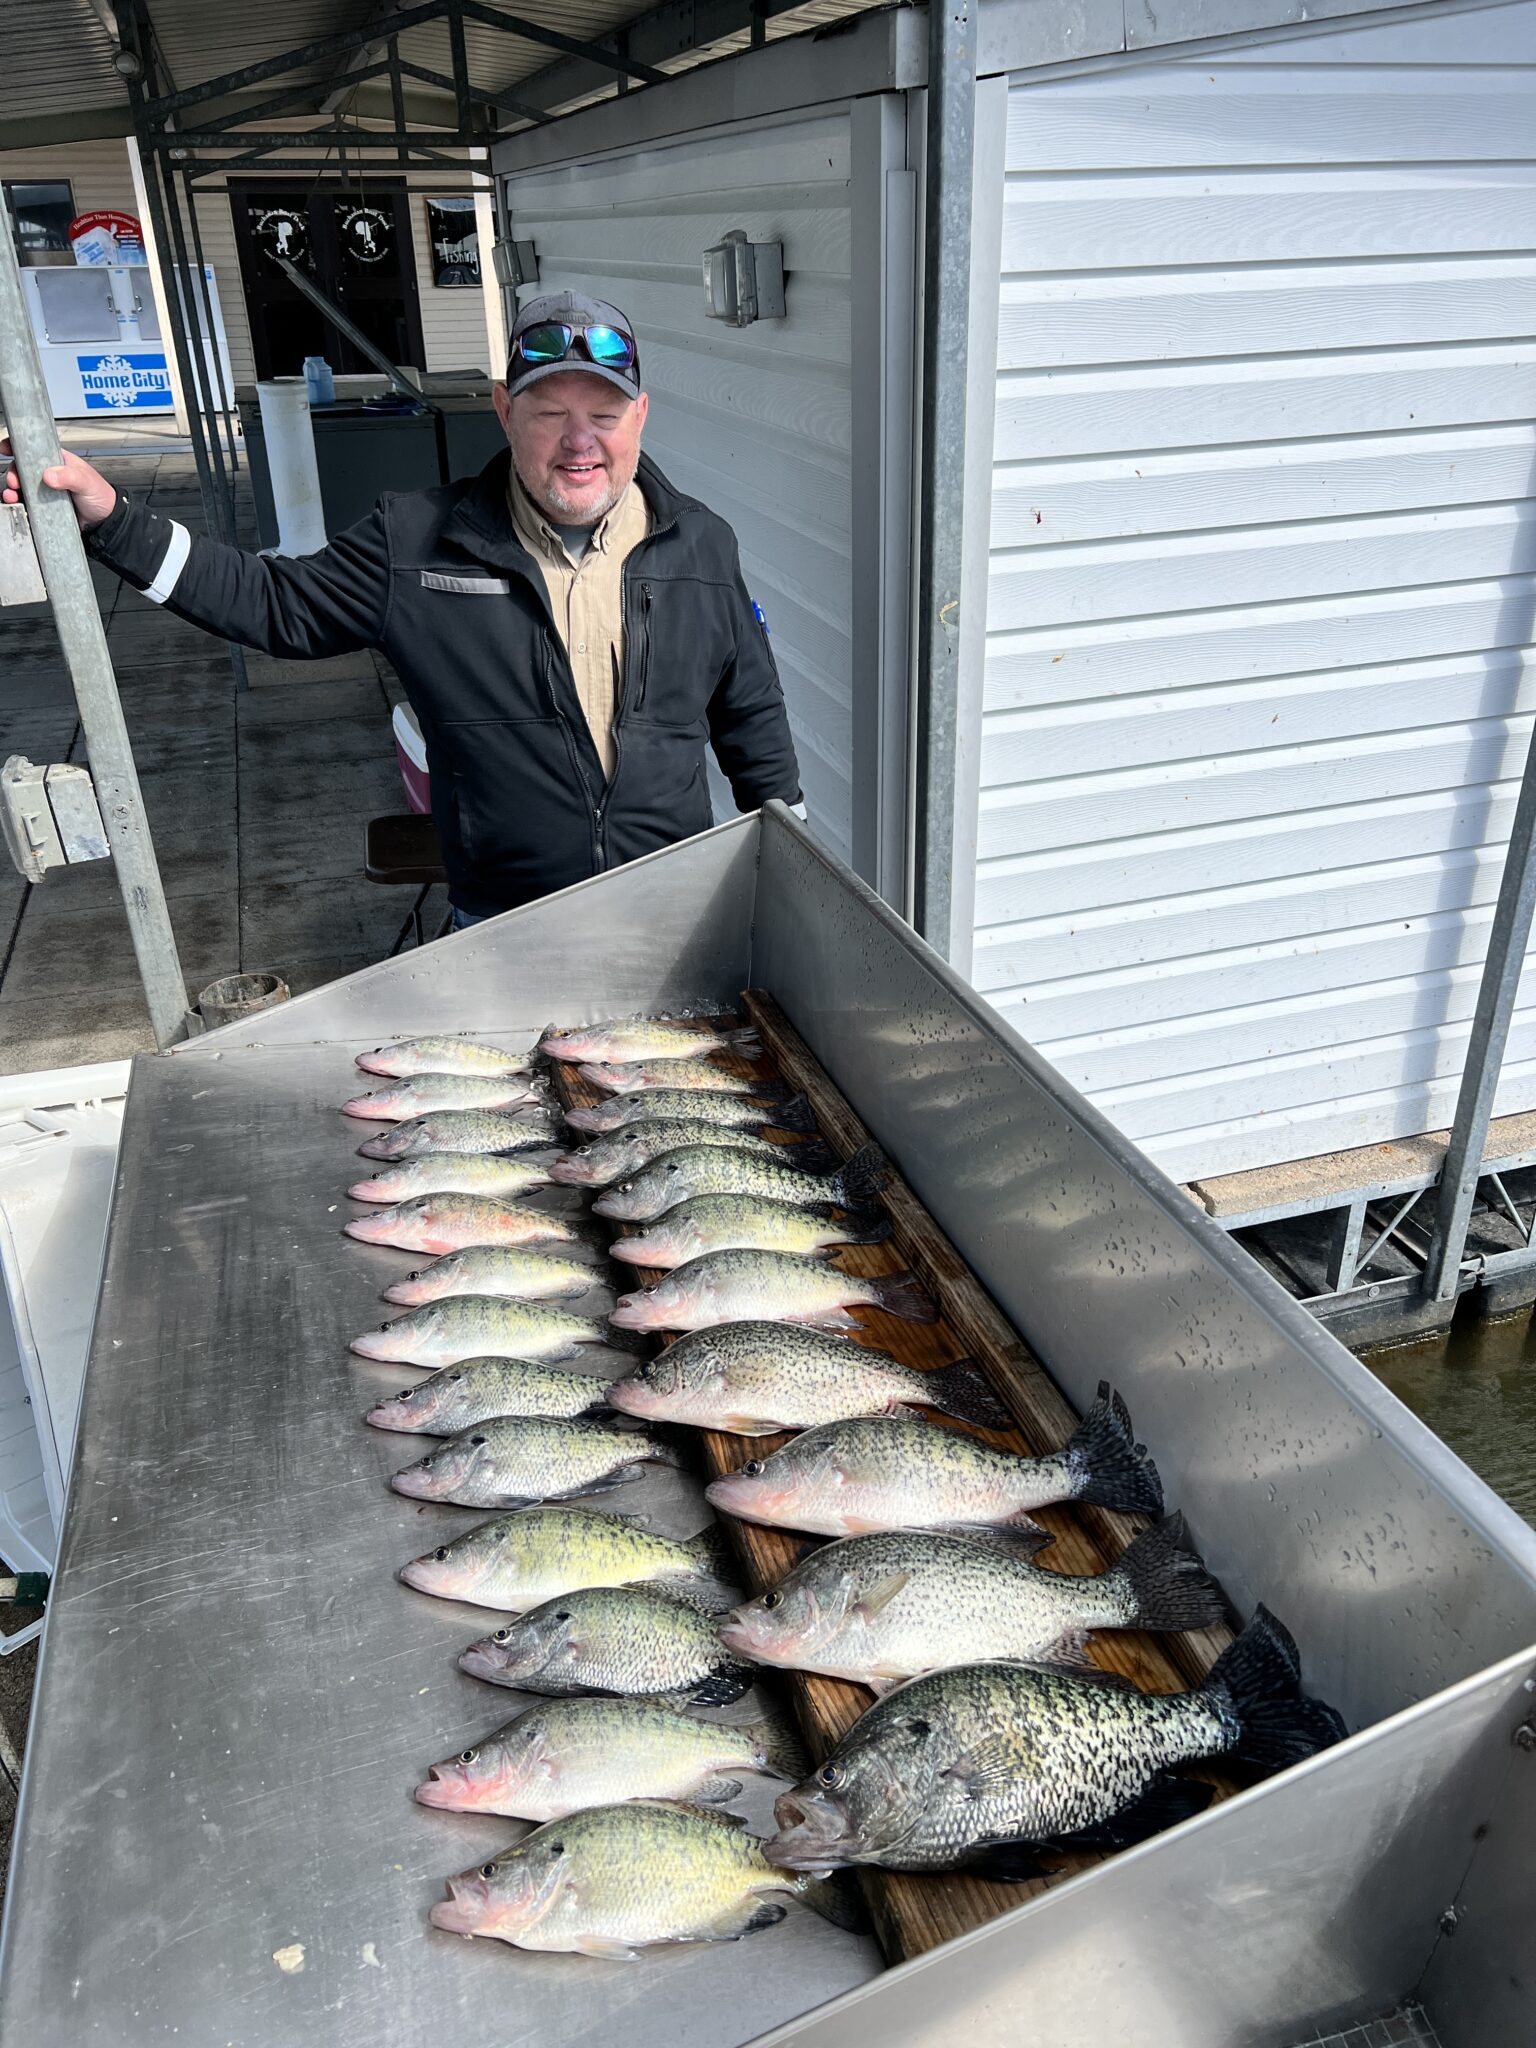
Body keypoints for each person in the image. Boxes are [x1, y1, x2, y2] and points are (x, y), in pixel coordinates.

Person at [1, 291, 803, 927]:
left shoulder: (701, 544)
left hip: (673, 914)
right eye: (549, 413)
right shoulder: (416, 541)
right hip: (504, 924)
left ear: (641, 416)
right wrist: (117, 522)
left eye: (603, 414)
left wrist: (796, 868)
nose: (578, 442)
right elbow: (272, 605)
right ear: (502, 410)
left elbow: (750, 709)